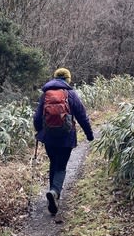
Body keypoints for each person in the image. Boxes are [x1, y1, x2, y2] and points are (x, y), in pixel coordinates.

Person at [33, 67, 94, 215]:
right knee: (61, 166)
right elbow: (82, 116)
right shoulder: (70, 94)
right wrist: (89, 134)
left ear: (55, 78)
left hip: (49, 137)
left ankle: (52, 193)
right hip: (66, 137)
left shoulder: (46, 94)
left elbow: (37, 117)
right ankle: (54, 192)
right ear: (68, 79)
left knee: (53, 162)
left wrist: (39, 131)